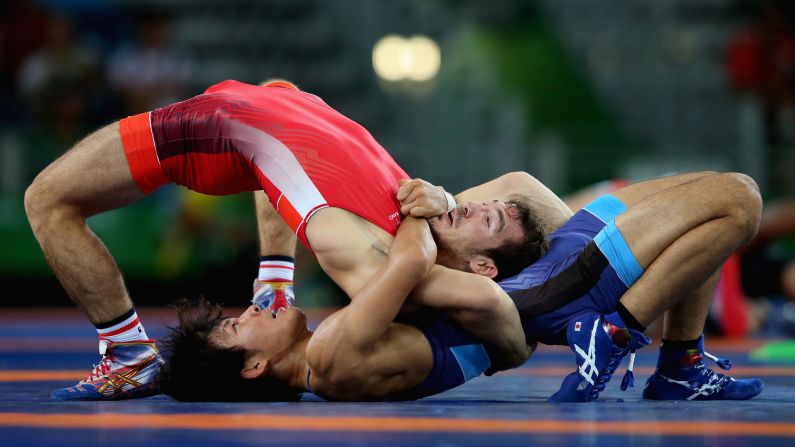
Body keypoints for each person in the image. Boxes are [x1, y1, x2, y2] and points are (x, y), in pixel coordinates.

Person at [25, 79, 566, 400]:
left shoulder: (365, 252)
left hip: (211, 128)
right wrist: (442, 209)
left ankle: (128, 352)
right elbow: (484, 270)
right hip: (255, 122)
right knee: (280, 93)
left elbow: (466, 289)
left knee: (45, 201)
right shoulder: (408, 226)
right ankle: (272, 284)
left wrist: (512, 345)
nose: (477, 211)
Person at [160, 171, 764, 402]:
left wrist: (275, 270)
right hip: (533, 301)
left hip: (518, 294)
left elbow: (273, 185)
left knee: (693, 209)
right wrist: (427, 209)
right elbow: (418, 268)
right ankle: (619, 330)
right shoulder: (331, 355)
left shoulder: (326, 354)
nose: (254, 310)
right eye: (241, 325)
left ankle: (680, 362)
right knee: (736, 201)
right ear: (253, 367)